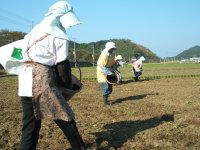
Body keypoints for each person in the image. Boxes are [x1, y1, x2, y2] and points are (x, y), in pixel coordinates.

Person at [16, 1, 86, 149]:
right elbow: (62, 67)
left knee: (30, 126)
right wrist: (69, 85)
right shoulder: (59, 36)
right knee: (66, 118)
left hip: (24, 80)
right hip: (40, 81)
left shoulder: (32, 33)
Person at [96, 41, 117, 106]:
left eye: (113, 48)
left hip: (109, 70)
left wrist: (114, 69)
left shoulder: (112, 54)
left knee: (110, 88)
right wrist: (109, 73)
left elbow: (113, 63)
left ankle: (106, 97)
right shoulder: (104, 54)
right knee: (105, 87)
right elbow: (102, 66)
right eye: (111, 48)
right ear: (108, 48)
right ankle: (105, 102)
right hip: (102, 72)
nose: (112, 49)